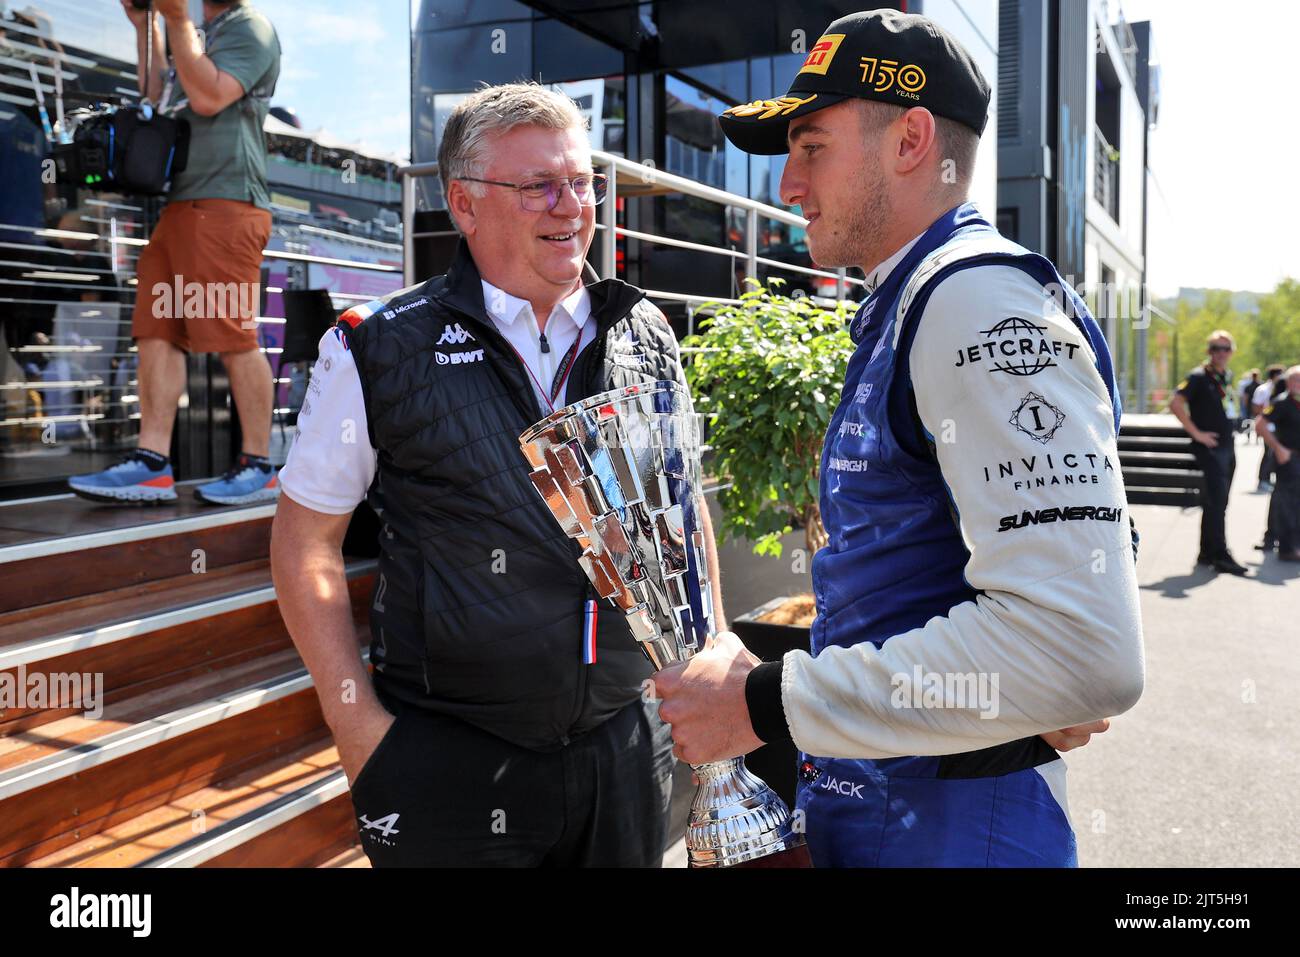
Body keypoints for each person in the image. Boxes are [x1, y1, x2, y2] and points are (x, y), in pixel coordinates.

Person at [651, 9, 1143, 868]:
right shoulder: (910, 300)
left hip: (957, 833)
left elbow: (1081, 649)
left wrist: (765, 702)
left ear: (912, 138)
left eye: (812, 149)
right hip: (894, 814)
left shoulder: (973, 299)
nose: (788, 188)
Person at [271, 83, 722, 867]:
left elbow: (678, 508)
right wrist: (359, 732)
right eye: (538, 185)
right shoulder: (377, 347)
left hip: (626, 741)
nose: (571, 205)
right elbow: (305, 542)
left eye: (581, 181)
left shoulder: (644, 327)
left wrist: (711, 651)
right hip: (451, 759)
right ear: (465, 204)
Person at [68, 0, 281, 505]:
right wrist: (147, 24)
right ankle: (152, 463)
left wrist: (177, 20)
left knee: (232, 336)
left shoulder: (249, 27)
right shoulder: (203, 30)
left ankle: (258, 464)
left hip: (227, 205)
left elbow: (209, 96)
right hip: (181, 207)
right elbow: (157, 94)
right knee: (157, 332)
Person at [1168, 332, 1248, 574]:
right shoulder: (1198, 376)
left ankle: (1206, 552)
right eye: (1216, 348)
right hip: (1210, 450)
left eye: (1225, 348)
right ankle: (1220, 555)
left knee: (1217, 503)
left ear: (1231, 351)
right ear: (1209, 351)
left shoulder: (1225, 377)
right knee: (1216, 502)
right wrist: (1197, 433)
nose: (1221, 352)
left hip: (1227, 446)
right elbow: (1175, 403)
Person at [1256, 367, 1300, 561]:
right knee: (1287, 503)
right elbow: (1260, 425)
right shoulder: (1281, 402)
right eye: (1295, 380)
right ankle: (1287, 547)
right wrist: (1278, 448)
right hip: (1288, 458)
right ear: (1289, 383)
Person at [1253, 365, 1285, 491]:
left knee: (1276, 454)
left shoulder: (1281, 388)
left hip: (1279, 427)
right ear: (1274, 376)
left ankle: (1272, 479)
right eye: (1280, 374)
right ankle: (1263, 480)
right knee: (1268, 454)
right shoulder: (1263, 389)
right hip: (1267, 426)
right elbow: (1256, 407)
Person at [1239, 369, 1260, 435]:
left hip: (1249, 405)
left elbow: (1246, 397)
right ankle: (1257, 435)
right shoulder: (1260, 385)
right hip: (1257, 406)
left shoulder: (1248, 386)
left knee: (1248, 421)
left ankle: (1248, 435)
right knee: (1257, 420)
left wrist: (1245, 405)